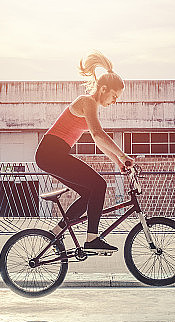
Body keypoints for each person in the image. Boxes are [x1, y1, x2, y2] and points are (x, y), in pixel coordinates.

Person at [35, 51, 134, 251]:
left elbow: (98, 141)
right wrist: (123, 156)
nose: (114, 101)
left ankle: (56, 234)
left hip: (52, 155)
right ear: (103, 89)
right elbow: (98, 134)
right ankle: (91, 239)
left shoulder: (91, 106)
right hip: (51, 153)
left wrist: (118, 162)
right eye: (114, 96)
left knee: (89, 193)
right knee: (99, 185)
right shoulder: (86, 101)